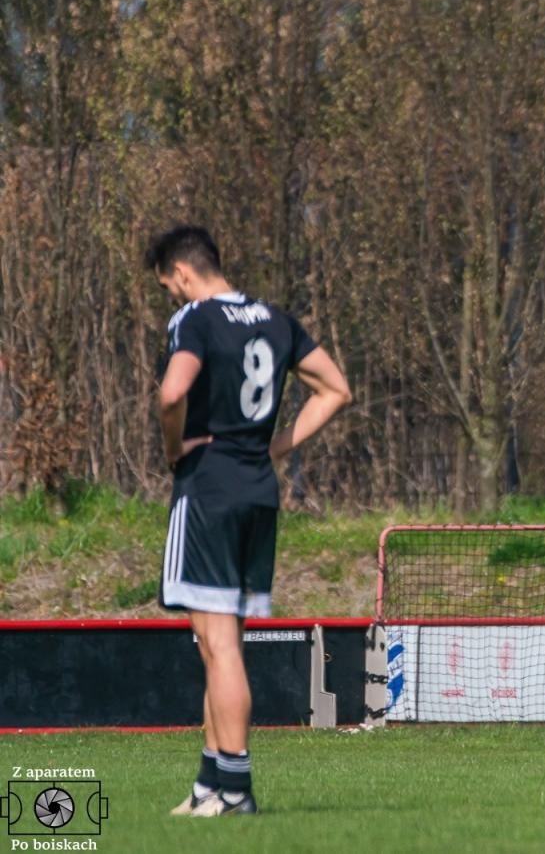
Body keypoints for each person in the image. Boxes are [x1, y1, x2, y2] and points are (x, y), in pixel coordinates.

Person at [146, 225, 351, 816]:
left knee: (220, 645)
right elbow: (336, 389)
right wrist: (274, 448)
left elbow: (171, 394)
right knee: (218, 643)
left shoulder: (196, 319)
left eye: (169, 288)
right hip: (259, 493)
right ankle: (210, 785)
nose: (174, 299)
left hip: (208, 488)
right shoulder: (277, 320)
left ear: (183, 273)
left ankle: (235, 790)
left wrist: (173, 449)